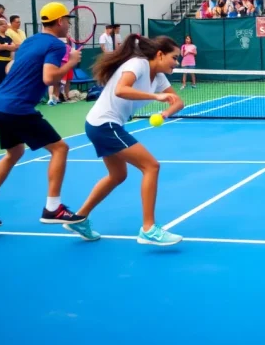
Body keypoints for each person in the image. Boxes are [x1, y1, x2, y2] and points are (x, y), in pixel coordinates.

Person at [0, 2, 84, 227]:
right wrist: (70, 63)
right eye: (68, 21)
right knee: (60, 148)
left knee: (14, 153)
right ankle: (53, 208)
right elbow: (49, 78)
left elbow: (11, 67)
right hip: (17, 107)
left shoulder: (29, 41)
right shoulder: (56, 46)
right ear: (60, 21)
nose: (69, 25)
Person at [64, 35, 185, 245]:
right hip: (104, 124)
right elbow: (121, 90)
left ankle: (79, 219)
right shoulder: (137, 64)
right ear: (159, 54)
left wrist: (165, 113)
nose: (177, 62)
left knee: (118, 175)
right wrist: (156, 97)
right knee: (151, 166)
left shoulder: (158, 77)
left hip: (105, 125)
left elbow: (178, 101)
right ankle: (148, 229)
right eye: (174, 58)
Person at [0, 18, 16, 87]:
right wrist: (8, 46)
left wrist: (4, 46)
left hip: (8, 60)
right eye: (3, 26)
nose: (5, 28)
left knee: (8, 80)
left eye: (6, 26)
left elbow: (14, 47)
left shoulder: (8, 38)